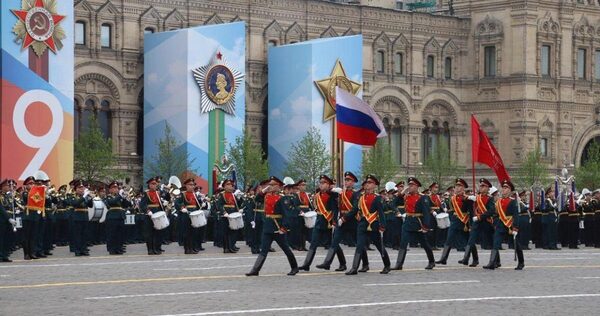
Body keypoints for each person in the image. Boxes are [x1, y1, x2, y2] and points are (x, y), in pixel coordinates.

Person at [246, 176, 299, 276]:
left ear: (278, 186)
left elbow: (287, 215)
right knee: (264, 250)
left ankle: (294, 267)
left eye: (272, 185)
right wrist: (263, 191)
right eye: (269, 184)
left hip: (278, 227)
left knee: (286, 249)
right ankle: (255, 270)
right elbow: (257, 200)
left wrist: (284, 228)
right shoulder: (266, 196)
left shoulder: (283, 198)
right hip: (268, 226)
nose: (270, 186)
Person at [341, 174, 391, 275]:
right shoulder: (361, 197)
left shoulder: (377, 198)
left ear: (374, 186)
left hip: (374, 224)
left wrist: (383, 226)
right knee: (359, 245)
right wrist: (344, 218)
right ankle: (354, 268)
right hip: (363, 224)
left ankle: (387, 265)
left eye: (370, 183)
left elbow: (381, 213)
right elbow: (354, 210)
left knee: (379, 245)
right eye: (366, 183)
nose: (367, 185)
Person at [316, 172, 365, 272]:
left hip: (353, 221)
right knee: (334, 242)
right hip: (341, 221)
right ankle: (329, 262)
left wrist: (344, 218)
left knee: (359, 243)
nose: (346, 182)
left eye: (349, 180)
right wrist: (330, 187)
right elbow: (327, 192)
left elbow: (355, 209)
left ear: (353, 182)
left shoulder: (357, 194)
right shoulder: (340, 193)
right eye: (346, 180)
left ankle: (366, 264)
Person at [299, 175, 344, 272]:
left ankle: (342, 263)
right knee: (313, 243)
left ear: (328, 185)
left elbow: (335, 210)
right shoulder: (317, 194)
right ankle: (306, 264)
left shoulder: (333, 195)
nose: (321, 185)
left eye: (324, 183)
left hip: (328, 222)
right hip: (319, 221)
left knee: (333, 244)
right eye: (320, 182)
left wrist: (334, 221)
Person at [392, 177, 435, 271]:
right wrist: (402, 192)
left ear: (417, 186)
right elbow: (394, 202)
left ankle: (431, 261)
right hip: (408, 222)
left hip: (418, 223)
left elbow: (426, 213)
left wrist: (426, 226)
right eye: (409, 185)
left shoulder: (423, 197)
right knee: (403, 243)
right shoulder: (406, 196)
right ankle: (399, 264)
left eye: (412, 185)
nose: (410, 187)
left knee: (424, 243)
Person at [482, 179, 525, 270]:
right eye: (503, 188)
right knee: (495, 243)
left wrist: (515, 228)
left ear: (510, 190)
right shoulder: (499, 202)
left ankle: (521, 262)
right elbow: (495, 213)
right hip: (501, 224)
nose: (504, 190)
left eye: (506, 188)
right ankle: (492, 262)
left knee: (516, 244)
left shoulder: (513, 201)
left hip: (510, 225)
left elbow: (516, 215)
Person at [436, 178, 473, 265]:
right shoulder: (453, 198)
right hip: (455, 220)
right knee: (449, 238)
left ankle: (470, 259)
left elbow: (471, 212)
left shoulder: (468, 199)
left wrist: (471, 225)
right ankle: (443, 258)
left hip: (465, 221)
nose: (457, 188)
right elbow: (452, 210)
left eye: (459, 186)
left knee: (469, 240)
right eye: (456, 186)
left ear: (463, 188)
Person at [459, 178, 494, 267]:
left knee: (492, 242)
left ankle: (496, 261)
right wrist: (466, 198)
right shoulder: (476, 197)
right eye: (480, 186)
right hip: (476, 222)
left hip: (486, 221)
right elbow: (464, 207)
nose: (481, 187)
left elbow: (491, 211)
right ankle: (466, 258)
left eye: (483, 186)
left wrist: (480, 217)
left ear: (487, 188)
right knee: (471, 239)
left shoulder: (490, 198)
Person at [139, 176, 166, 255]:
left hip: (157, 214)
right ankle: (150, 249)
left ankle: (157, 248)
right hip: (149, 215)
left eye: (155, 184)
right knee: (149, 233)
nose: (154, 185)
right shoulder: (146, 193)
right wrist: (147, 211)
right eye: (153, 184)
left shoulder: (158, 193)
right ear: (149, 185)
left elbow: (159, 204)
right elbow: (142, 204)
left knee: (158, 232)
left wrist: (164, 205)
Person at [215, 179, 243, 253]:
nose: (230, 186)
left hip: (233, 214)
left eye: (231, 185)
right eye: (228, 184)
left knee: (232, 231)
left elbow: (237, 204)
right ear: (224, 186)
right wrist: (224, 212)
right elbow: (219, 205)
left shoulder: (233, 195)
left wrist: (239, 208)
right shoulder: (221, 194)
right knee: (225, 232)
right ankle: (226, 248)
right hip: (226, 215)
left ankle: (231, 246)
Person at [104, 181, 131, 255]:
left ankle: (119, 248)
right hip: (112, 217)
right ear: (110, 189)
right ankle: (112, 249)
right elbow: (111, 202)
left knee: (120, 234)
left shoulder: (120, 197)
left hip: (120, 216)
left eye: (117, 188)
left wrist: (127, 198)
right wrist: (120, 195)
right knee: (112, 234)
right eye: (114, 188)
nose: (116, 189)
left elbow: (127, 205)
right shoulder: (108, 196)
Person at [69, 180, 93, 256]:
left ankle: (84, 249)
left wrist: (90, 198)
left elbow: (90, 206)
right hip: (77, 217)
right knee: (77, 235)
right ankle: (77, 250)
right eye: (79, 188)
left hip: (85, 216)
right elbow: (75, 204)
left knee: (85, 234)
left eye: (82, 188)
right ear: (76, 189)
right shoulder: (73, 196)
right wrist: (83, 196)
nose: (82, 189)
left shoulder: (85, 196)